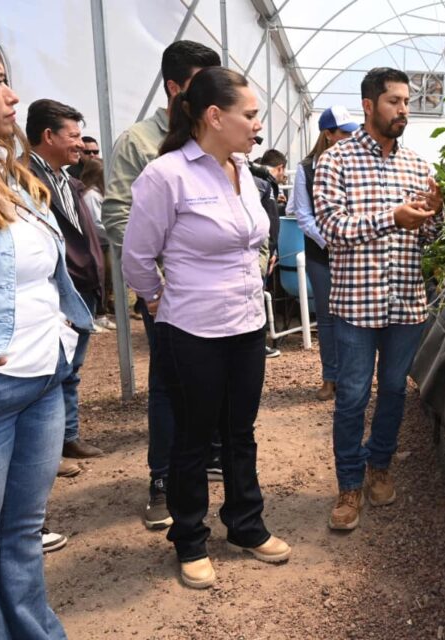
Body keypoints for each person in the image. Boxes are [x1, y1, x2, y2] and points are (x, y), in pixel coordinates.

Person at [0, 21, 93, 637]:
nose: (13, 97)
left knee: (21, 540)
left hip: (40, 384)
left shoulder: (5, 172)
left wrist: (58, 324)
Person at [122, 66, 291, 589]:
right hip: (191, 327)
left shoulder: (243, 171)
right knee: (194, 437)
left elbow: (254, 238)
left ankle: (245, 524)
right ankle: (190, 539)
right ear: (214, 116)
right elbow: (137, 258)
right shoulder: (167, 175)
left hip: (245, 324)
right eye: (250, 114)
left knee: (239, 432)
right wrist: (157, 301)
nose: (257, 124)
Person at [314, 68, 443, 531]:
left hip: (406, 302)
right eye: (394, 101)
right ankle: (348, 486)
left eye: (406, 101)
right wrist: (392, 217)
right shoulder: (337, 162)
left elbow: (428, 235)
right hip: (355, 304)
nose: (403, 109)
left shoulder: (417, 165)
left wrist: (434, 215)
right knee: (351, 396)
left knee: (392, 391)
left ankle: (379, 467)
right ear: (369, 106)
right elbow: (332, 229)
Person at [101, 40, 221, 530]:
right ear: (174, 87)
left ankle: (204, 457)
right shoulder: (138, 142)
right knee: (170, 383)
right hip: (167, 293)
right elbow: (116, 213)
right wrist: (157, 279)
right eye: (200, 84)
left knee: (215, 378)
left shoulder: (213, 138)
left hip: (214, 295)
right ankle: (163, 478)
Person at [27, 99, 107, 473]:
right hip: (59, 289)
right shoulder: (25, 178)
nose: (80, 144)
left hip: (81, 287)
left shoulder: (66, 180)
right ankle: (49, 450)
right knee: (50, 371)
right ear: (48, 135)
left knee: (70, 369)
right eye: (73, 136)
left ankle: (66, 437)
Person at [287, 105, 358, 401]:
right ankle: (330, 378)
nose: (350, 138)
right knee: (328, 318)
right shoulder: (306, 169)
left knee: (352, 317)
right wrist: (332, 240)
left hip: (353, 252)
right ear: (328, 135)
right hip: (323, 253)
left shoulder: (357, 165)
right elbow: (303, 215)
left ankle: (352, 378)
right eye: (344, 133)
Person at [249, 148, 287, 358]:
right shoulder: (261, 182)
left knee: (260, 293)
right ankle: (256, 345)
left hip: (267, 251)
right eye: (284, 171)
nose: (284, 176)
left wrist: (272, 251)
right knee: (255, 295)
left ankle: (258, 343)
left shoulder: (267, 183)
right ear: (280, 167)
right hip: (259, 253)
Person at [80, 156, 116, 327]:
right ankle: (98, 314)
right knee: (100, 278)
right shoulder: (92, 195)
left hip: (103, 242)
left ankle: (102, 311)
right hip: (98, 243)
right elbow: (96, 223)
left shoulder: (97, 193)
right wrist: (114, 233)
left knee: (107, 278)